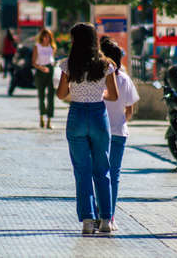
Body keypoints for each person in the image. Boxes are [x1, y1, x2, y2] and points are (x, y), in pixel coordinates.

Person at [56, 23, 119, 234]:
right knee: (103, 170)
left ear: (76, 41)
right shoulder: (105, 64)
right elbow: (114, 95)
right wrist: (98, 94)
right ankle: (106, 220)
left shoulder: (68, 65)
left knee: (82, 171)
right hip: (98, 116)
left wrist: (77, 90)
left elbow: (61, 94)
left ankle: (87, 220)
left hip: (76, 116)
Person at [100, 36, 139, 231]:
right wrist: (121, 121)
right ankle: (111, 216)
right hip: (119, 133)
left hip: (100, 132)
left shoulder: (98, 79)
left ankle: (100, 213)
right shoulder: (125, 79)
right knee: (114, 175)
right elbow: (130, 109)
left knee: (99, 174)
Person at [32, 28, 57, 128]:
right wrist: (42, 68)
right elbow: (33, 62)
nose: (46, 38)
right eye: (44, 36)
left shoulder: (52, 47)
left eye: (48, 37)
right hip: (40, 70)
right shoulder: (37, 47)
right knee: (41, 96)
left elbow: (52, 59)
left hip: (50, 70)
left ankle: (49, 120)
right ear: (41, 37)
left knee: (51, 96)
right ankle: (42, 117)